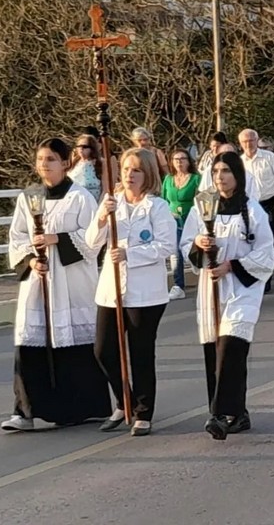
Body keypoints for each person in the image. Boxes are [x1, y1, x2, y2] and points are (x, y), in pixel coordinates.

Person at [2, 138, 110, 431]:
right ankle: (25, 411)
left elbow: (93, 239)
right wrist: (31, 261)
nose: (44, 165)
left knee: (74, 345)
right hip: (38, 282)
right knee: (31, 341)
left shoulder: (80, 197)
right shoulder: (29, 197)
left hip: (71, 281)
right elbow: (17, 236)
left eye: (50, 159)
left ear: (65, 163)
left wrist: (56, 239)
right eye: (41, 159)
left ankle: (80, 408)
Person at [181, 151, 274, 440]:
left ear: (237, 176)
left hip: (241, 289)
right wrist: (198, 243)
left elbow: (266, 253)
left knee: (231, 348)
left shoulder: (253, 210)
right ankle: (238, 413)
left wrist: (231, 265)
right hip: (212, 287)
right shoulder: (202, 207)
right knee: (215, 350)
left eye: (226, 171)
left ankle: (220, 414)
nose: (220, 177)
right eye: (216, 172)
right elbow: (186, 244)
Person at [86, 147, 176, 436]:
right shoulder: (111, 203)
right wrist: (102, 217)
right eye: (126, 169)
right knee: (104, 350)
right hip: (111, 290)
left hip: (145, 292)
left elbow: (166, 246)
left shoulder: (157, 207)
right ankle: (123, 400)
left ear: (147, 174)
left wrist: (130, 254)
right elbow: (91, 242)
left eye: (136, 170)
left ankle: (143, 411)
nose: (130, 175)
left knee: (141, 352)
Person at [238, 129, 274, 294]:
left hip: (270, 203)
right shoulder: (239, 162)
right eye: (245, 141)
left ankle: (266, 279)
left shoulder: (269, 158)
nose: (248, 144)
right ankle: (253, 276)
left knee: (267, 241)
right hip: (249, 206)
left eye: (251, 140)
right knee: (250, 242)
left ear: (257, 140)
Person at [159, 148, 200, 301]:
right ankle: (178, 285)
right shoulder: (168, 179)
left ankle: (197, 268)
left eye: (182, 159)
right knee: (175, 252)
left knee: (189, 250)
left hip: (190, 219)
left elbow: (200, 200)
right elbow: (164, 199)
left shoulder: (196, 179)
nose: (179, 162)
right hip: (172, 220)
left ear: (188, 161)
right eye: (176, 159)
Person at [69, 134, 105, 202]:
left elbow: (105, 188)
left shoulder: (100, 163)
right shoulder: (74, 162)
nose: (81, 149)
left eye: (85, 147)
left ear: (92, 148)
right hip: (74, 201)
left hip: (92, 202)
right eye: (79, 146)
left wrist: (100, 205)